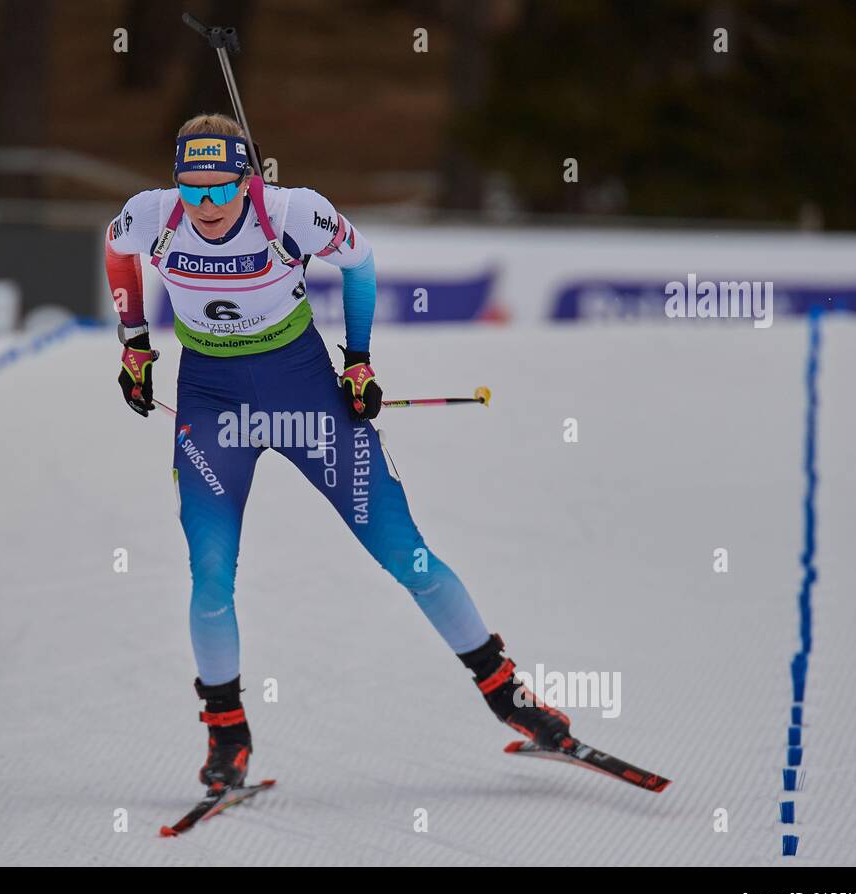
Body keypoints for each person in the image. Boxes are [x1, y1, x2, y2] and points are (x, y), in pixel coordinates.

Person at [104, 113, 573, 792]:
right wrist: (134, 340)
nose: (204, 205)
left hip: (307, 399)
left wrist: (358, 362)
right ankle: (227, 737)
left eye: (219, 188)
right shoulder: (151, 216)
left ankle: (509, 696)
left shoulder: (293, 212)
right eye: (191, 187)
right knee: (209, 575)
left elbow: (359, 262)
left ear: (246, 177)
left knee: (406, 553)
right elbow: (117, 252)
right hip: (211, 403)